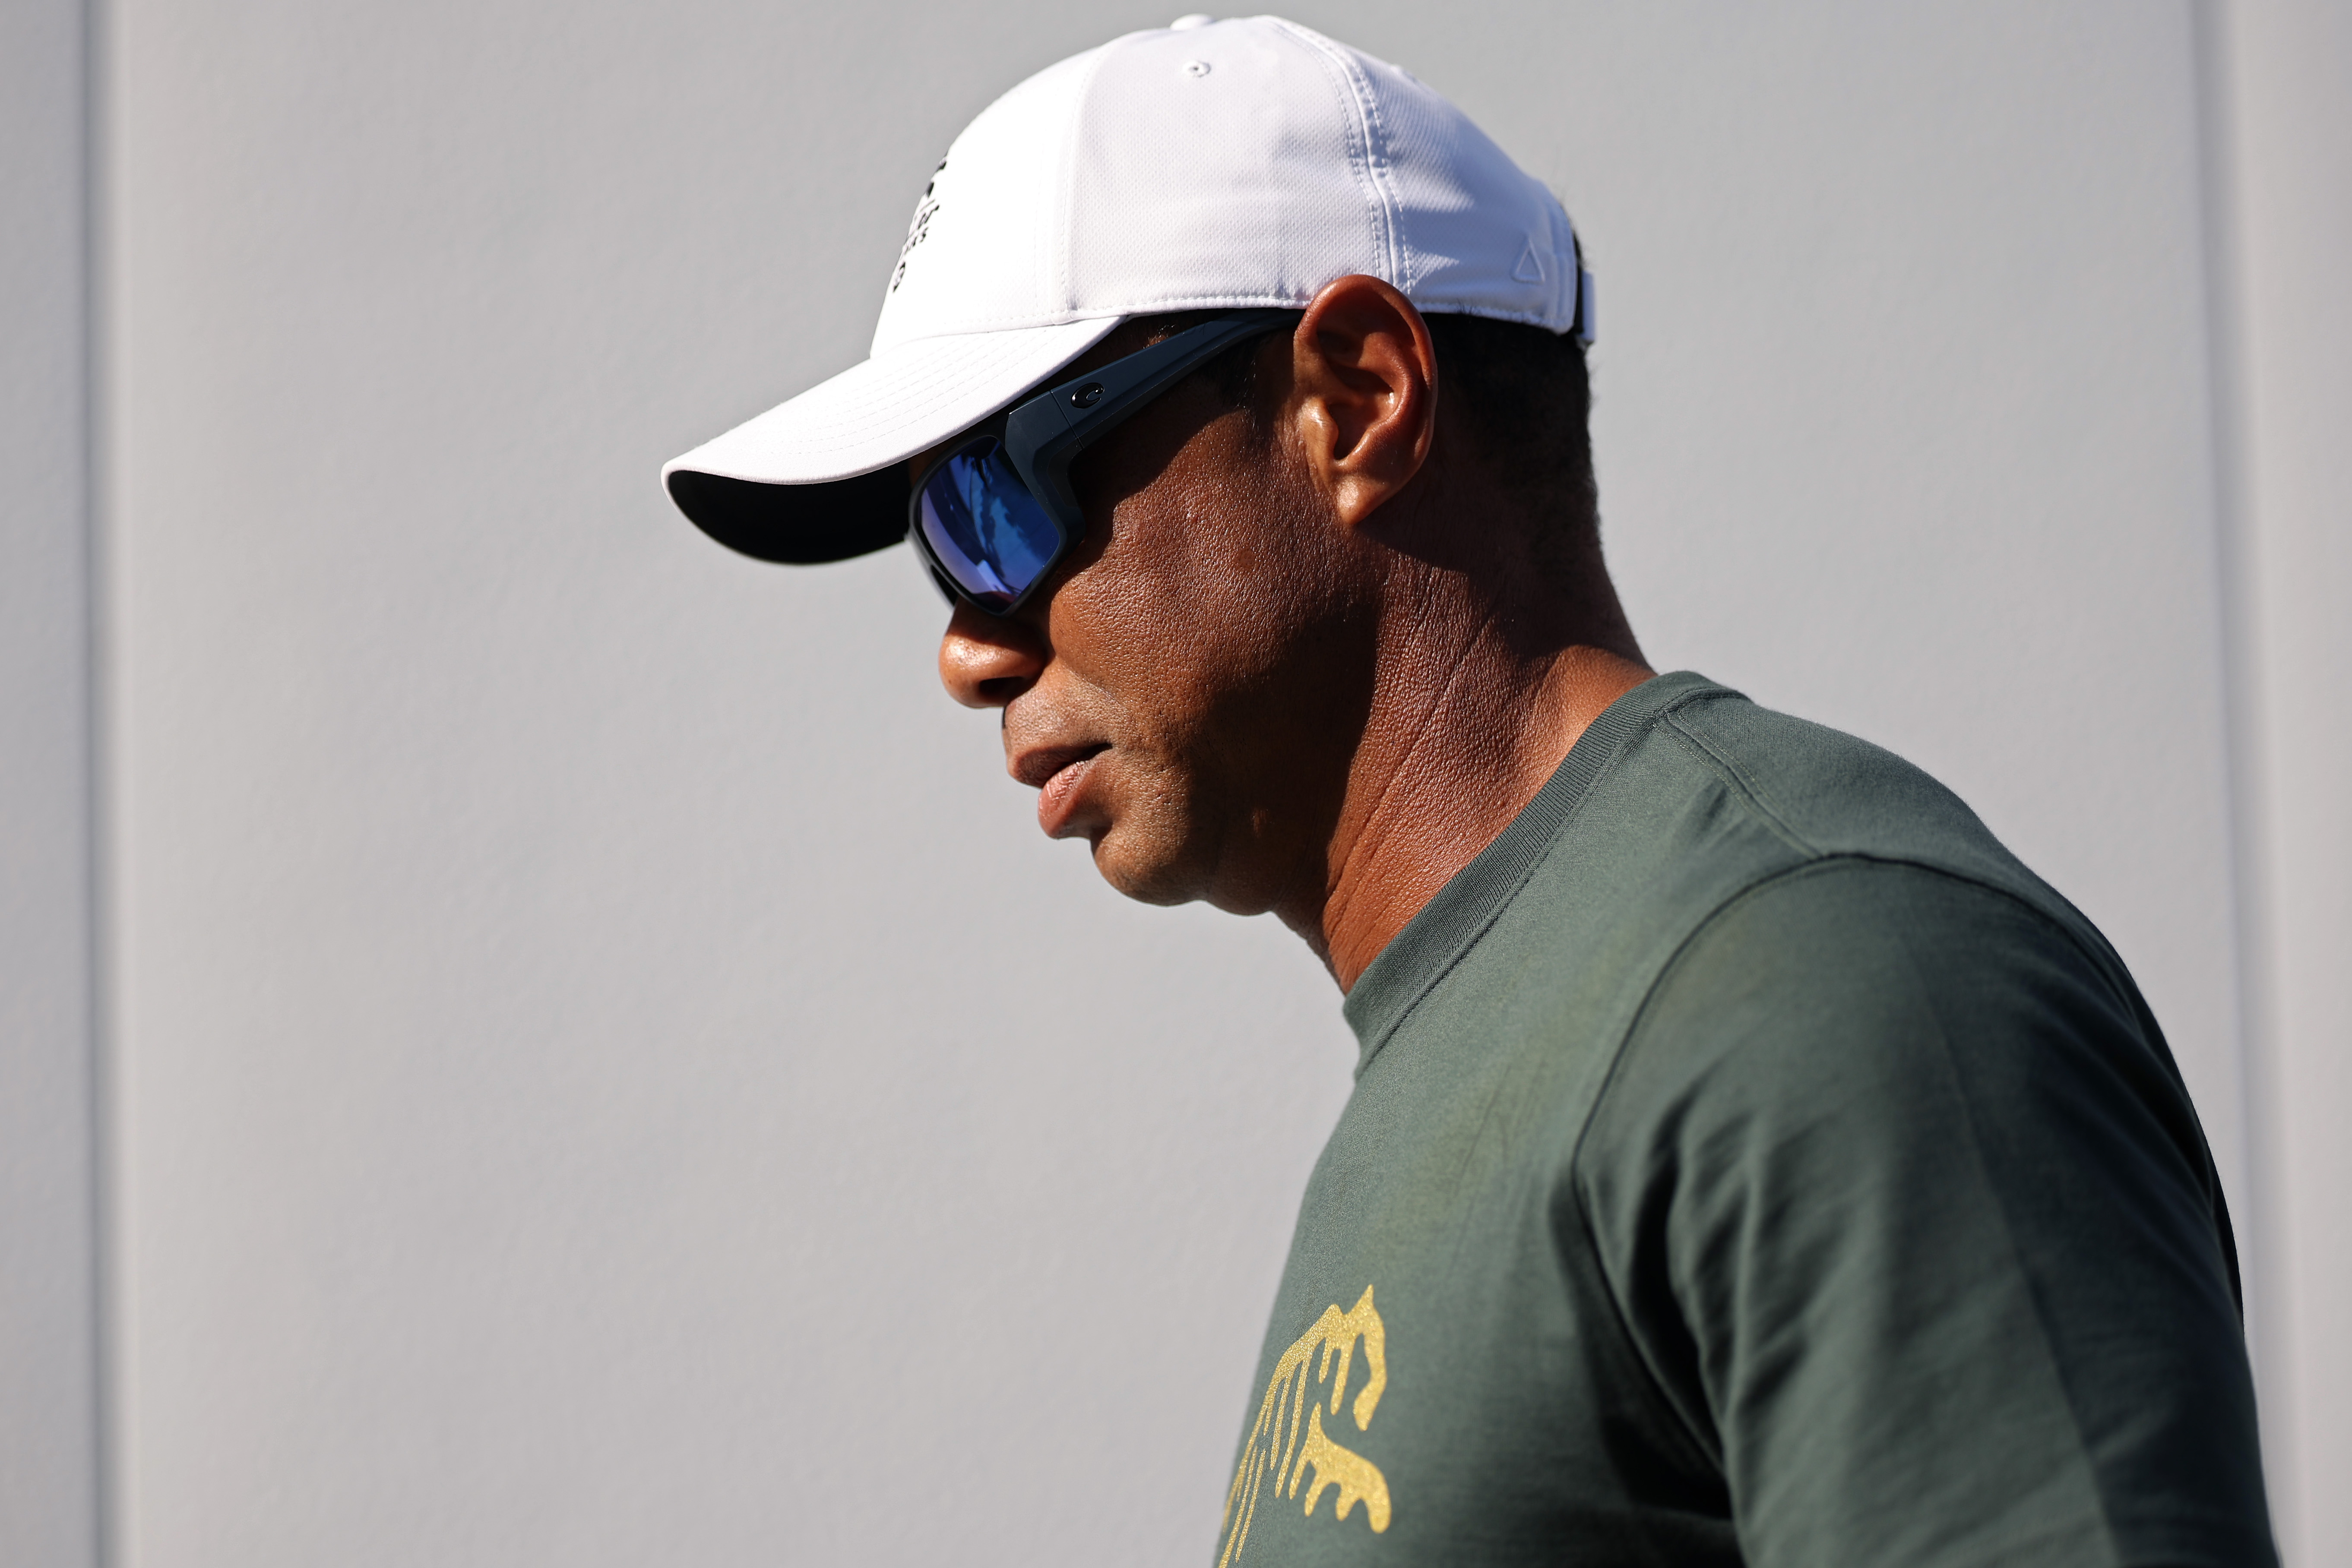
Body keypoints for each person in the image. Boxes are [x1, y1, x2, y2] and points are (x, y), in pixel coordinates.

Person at [662, 16, 2276, 1567]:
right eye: (936, 550)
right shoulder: (1483, 1057)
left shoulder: (1829, 991)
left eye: (993, 499)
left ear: (1356, 400)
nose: (968, 649)